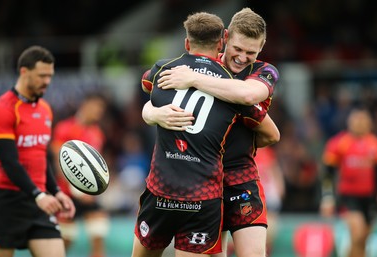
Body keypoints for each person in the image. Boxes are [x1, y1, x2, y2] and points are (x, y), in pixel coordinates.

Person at [142, 8, 279, 257]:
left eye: (252, 52)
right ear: (225, 38)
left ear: (262, 47)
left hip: (240, 177)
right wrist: (150, 114)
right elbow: (153, 91)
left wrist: (193, 79)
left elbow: (263, 120)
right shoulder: (198, 63)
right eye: (238, 48)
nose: (242, 57)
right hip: (202, 180)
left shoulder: (264, 72)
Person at [0, 45, 75, 257]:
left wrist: (56, 191)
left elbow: (41, 158)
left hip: (39, 202)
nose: (47, 81)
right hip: (6, 201)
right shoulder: (3, 109)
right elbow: (9, 162)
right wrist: (38, 195)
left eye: (50, 76)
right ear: (24, 72)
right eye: (41, 76)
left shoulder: (45, 109)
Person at [320, 107, 377, 257]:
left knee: (363, 240)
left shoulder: (376, 144)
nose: (360, 123)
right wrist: (327, 197)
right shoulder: (339, 143)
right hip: (348, 196)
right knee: (357, 233)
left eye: (363, 119)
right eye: (356, 119)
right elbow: (327, 173)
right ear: (349, 122)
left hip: (369, 197)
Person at [51, 92, 110, 257]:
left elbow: (98, 167)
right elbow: (58, 162)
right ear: (85, 105)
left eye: (102, 109)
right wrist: (77, 190)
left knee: (98, 235)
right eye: (97, 107)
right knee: (65, 242)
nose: (99, 112)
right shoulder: (64, 128)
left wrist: (95, 189)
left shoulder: (97, 132)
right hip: (66, 195)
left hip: (89, 195)